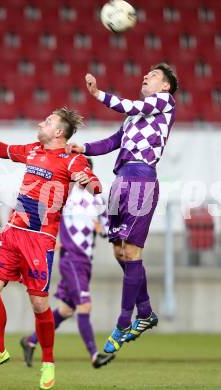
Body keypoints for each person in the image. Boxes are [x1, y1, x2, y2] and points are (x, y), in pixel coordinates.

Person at [0, 107, 102, 390]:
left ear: (58, 132)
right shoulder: (31, 150)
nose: (42, 122)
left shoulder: (72, 160)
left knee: (39, 304)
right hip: (12, 233)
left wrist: (91, 184)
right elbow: (2, 149)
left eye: (49, 120)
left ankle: (48, 362)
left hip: (40, 240)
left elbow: (91, 180)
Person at [67, 63, 178, 354]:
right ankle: (145, 312)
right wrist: (85, 148)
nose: (146, 76)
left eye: (153, 75)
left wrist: (98, 94)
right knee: (119, 251)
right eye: (146, 74)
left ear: (165, 86)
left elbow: (125, 104)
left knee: (131, 252)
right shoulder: (136, 116)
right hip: (121, 180)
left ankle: (123, 322)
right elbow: (114, 141)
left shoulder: (165, 101)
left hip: (142, 178)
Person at [20, 158, 115, 369]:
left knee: (65, 310)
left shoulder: (98, 200)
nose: (81, 174)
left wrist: (102, 229)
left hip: (85, 261)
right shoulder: (64, 195)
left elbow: (109, 229)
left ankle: (30, 341)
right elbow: (44, 217)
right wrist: (50, 238)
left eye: (85, 171)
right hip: (71, 258)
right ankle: (94, 355)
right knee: (84, 305)